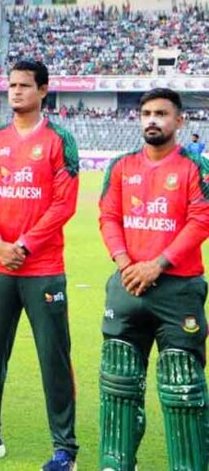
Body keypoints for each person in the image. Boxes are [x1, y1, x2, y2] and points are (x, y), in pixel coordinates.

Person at [0, 59, 79, 470]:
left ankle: (65, 449)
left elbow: (64, 204)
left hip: (42, 268)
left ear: (43, 90)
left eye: (25, 85)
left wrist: (25, 245)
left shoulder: (59, 140)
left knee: (54, 358)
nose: (16, 91)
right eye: (12, 85)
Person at [98, 87, 209, 471]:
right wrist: (125, 262)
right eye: (146, 113)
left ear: (179, 120)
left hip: (178, 288)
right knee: (118, 380)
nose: (152, 120)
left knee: (183, 384)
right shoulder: (121, 166)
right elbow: (108, 217)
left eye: (161, 114)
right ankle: (116, 464)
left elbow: (201, 220)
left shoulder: (194, 167)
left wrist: (157, 265)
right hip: (127, 284)